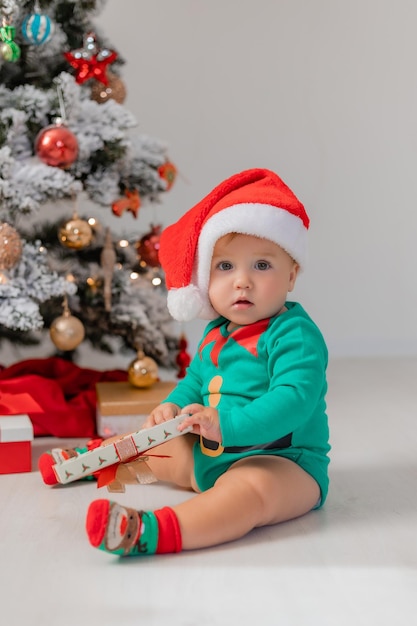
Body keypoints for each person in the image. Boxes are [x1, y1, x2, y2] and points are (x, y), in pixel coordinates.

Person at [86, 168, 330, 556]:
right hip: (211, 452)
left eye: (262, 265)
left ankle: (152, 530)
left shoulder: (293, 334)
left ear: (292, 275)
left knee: (249, 493)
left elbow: (294, 399)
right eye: (225, 266)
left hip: (281, 462)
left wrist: (226, 424)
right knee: (162, 449)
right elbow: (195, 381)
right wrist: (173, 407)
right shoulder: (217, 333)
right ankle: (96, 456)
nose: (242, 281)